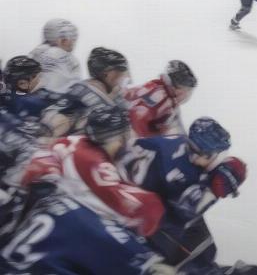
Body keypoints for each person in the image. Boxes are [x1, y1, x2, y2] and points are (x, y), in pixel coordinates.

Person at [10, 105, 174, 275]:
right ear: (118, 137)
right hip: (59, 236)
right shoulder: (99, 166)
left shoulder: (72, 140)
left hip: (27, 223)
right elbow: (137, 208)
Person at [121, 117, 257, 275]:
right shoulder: (177, 170)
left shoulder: (189, 159)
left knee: (204, 249)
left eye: (202, 154)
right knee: (192, 256)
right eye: (193, 149)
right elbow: (182, 213)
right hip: (135, 211)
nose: (196, 157)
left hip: (155, 205)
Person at [41, 47, 130, 138]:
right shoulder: (96, 100)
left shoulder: (77, 89)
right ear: (109, 74)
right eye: (122, 73)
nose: (125, 78)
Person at [125, 60, 197, 138]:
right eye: (185, 90)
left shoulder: (170, 100)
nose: (186, 95)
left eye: (189, 91)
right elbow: (137, 118)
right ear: (175, 86)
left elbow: (175, 128)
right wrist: (152, 141)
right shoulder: (158, 96)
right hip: (128, 137)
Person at [29, 18, 81, 93]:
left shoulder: (35, 53)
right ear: (61, 40)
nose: (73, 41)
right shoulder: (67, 58)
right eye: (71, 37)